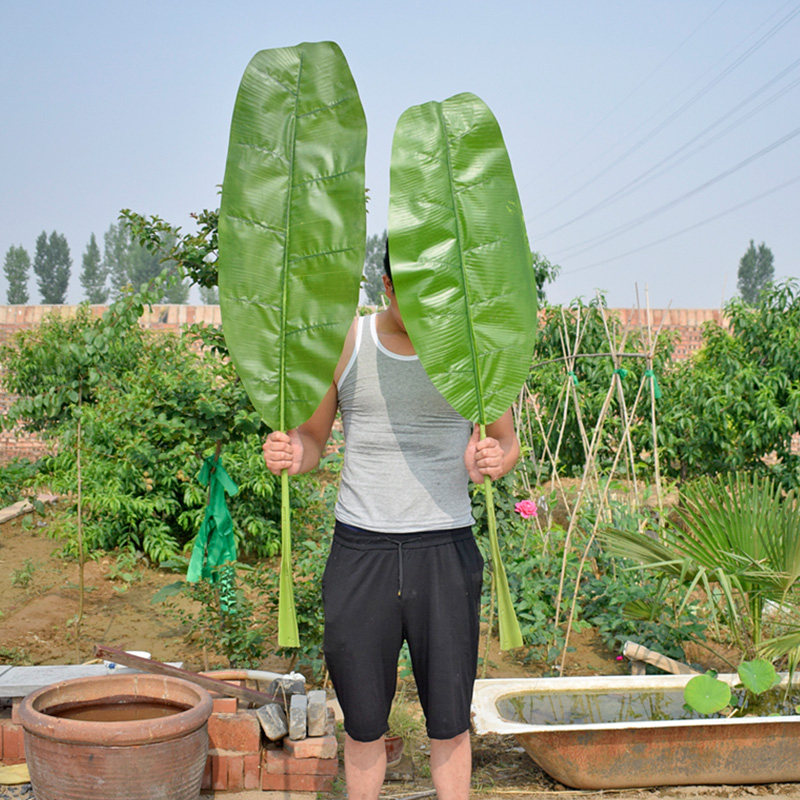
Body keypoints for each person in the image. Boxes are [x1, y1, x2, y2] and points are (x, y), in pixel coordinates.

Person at [263, 248, 520, 800]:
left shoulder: (468, 350)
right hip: (361, 552)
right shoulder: (349, 342)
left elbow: (505, 438)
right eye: (414, 294)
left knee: (449, 718)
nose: (429, 308)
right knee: (363, 721)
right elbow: (313, 439)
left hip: (445, 548)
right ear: (386, 286)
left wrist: (494, 459)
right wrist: (292, 453)